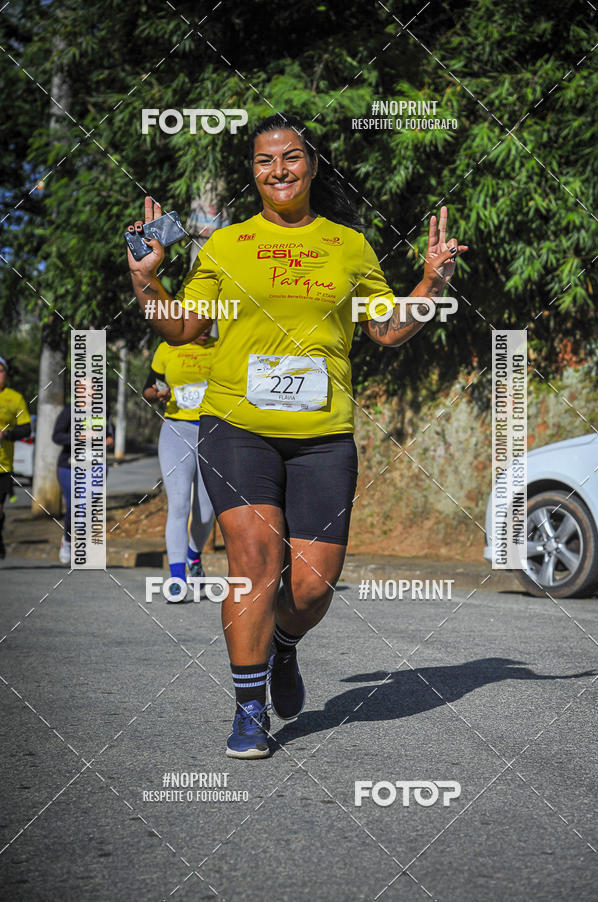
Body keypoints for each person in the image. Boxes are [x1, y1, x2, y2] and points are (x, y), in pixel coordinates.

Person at [126, 113, 468, 759]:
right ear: (252, 172)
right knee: (254, 563)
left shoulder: (349, 245)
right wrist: (147, 277)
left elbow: (386, 330)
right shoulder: (225, 245)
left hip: (322, 437)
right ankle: (248, 707)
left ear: (311, 165)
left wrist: (429, 284)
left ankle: (283, 646)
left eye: (289, 157)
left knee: (311, 588)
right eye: (263, 160)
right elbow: (182, 330)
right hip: (237, 427)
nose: (278, 169)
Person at [142, 334, 217, 597]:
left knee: (206, 513)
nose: (205, 328)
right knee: (179, 505)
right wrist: (158, 393)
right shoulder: (166, 349)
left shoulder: (222, 347)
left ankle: (193, 556)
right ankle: (177, 578)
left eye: (209, 321)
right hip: (176, 430)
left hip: (213, 432)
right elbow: (148, 389)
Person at [52, 395, 114, 565]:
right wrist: (78, 438)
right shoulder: (69, 410)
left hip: (95, 464)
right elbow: (56, 436)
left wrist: (109, 440)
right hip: (70, 466)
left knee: (91, 504)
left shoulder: (103, 410)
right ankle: (68, 541)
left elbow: (108, 433)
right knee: (73, 507)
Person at [0, 356, 32, 559]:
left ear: (6, 374)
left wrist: (7, 434)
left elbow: (26, 428)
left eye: (0, 371)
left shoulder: (15, 398)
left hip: (2, 465)